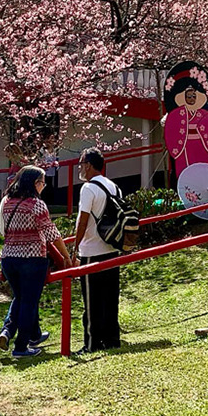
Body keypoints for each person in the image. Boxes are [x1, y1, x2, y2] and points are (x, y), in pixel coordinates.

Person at [0, 165, 64, 359]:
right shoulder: (36, 204)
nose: (44, 186)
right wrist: (66, 256)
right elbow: (52, 233)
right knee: (29, 302)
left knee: (20, 299)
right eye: (43, 182)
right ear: (35, 183)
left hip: (9, 258)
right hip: (32, 258)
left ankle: (13, 332)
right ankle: (21, 346)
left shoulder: (8, 201)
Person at [70, 149, 122, 352]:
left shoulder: (88, 188)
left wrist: (75, 249)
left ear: (89, 165)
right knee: (110, 298)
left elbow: (82, 222)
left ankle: (92, 343)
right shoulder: (113, 186)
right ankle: (112, 339)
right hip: (112, 248)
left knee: (91, 301)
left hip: (91, 250)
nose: (80, 168)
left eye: (81, 163)